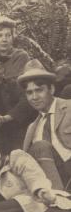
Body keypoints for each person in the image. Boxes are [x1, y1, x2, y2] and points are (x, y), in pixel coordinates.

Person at [18, 59, 71, 190]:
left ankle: (60, 201)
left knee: (40, 146)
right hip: (52, 182)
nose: (34, 97)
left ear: (51, 89)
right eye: (29, 93)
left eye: (39, 90)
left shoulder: (69, 108)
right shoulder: (32, 128)